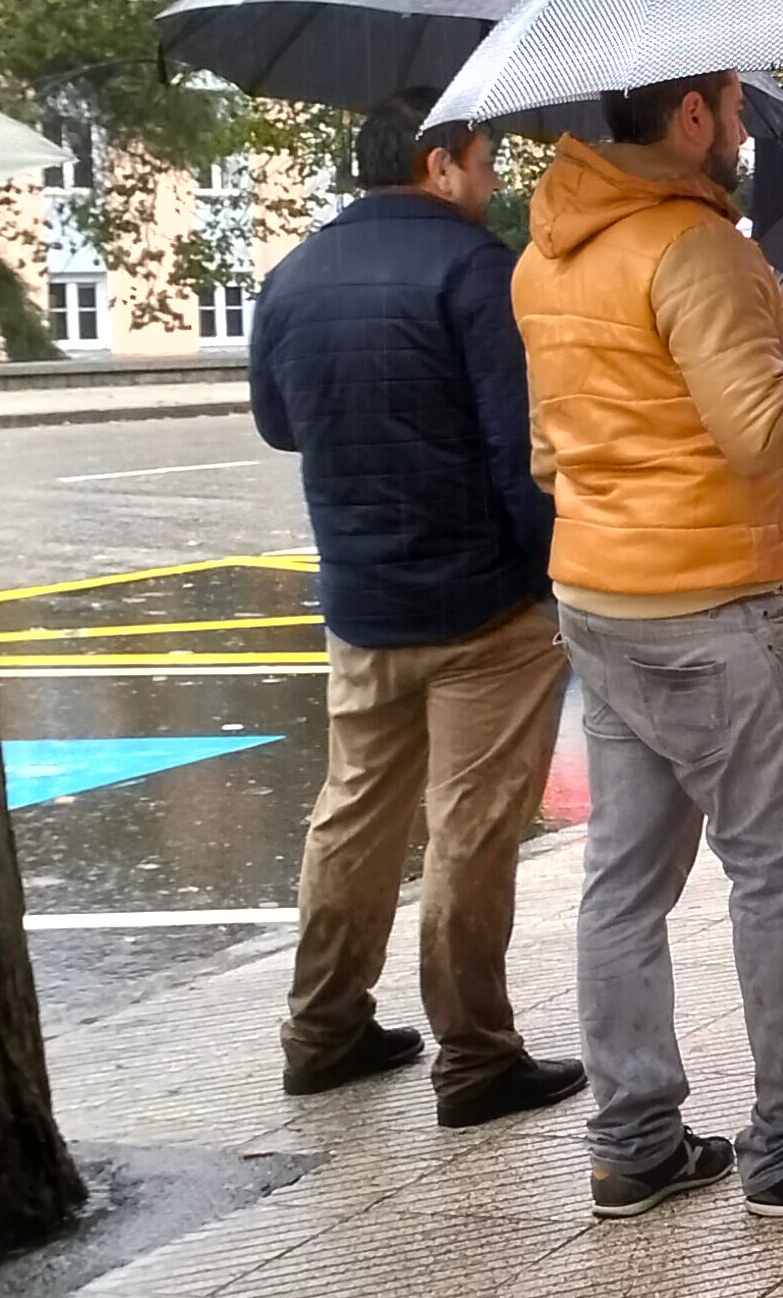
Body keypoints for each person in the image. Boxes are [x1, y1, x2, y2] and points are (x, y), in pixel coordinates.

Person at [511, 71, 783, 1222]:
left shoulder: (546, 253)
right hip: (710, 604)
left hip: (599, 594)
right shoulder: (693, 251)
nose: (746, 133)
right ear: (690, 115)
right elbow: (759, 431)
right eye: (736, 112)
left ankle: (634, 1137)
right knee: (779, 866)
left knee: (626, 876)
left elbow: (552, 451)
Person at [248, 96, 584, 1128]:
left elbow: (276, 424)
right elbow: (515, 448)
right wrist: (549, 569)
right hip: (480, 607)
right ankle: (476, 1056)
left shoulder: (291, 277)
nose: (490, 185)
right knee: (470, 832)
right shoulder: (472, 270)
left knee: (353, 815)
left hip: (360, 602)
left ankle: (324, 1027)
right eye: (484, 164)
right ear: (439, 163)